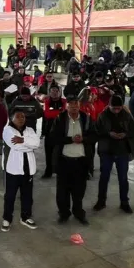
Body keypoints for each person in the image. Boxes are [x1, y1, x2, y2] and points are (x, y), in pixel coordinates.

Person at [52, 94, 94, 224]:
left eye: (76, 104)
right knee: (62, 191)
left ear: (79, 106)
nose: (74, 107)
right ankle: (64, 213)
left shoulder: (86, 119)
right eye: (71, 105)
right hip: (64, 161)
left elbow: (94, 136)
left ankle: (78, 212)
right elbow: (54, 137)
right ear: (67, 106)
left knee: (79, 190)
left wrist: (84, 139)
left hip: (81, 161)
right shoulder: (60, 119)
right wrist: (71, 140)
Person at [93, 95, 134, 213]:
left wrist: (125, 135)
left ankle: (124, 202)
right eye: (114, 108)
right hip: (106, 151)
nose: (116, 110)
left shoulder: (127, 115)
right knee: (104, 177)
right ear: (109, 106)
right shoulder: (103, 115)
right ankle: (101, 201)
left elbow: (133, 130)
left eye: (119, 108)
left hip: (122, 151)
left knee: (123, 178)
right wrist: (109, 133)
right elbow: (96, 130)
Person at [1, 108, 40, 232]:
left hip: (28, 168)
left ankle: (26, 217)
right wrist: (28, 145)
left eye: (23, 117)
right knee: (10, 196)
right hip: (13, 169)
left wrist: (23, 140)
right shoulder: (7, 130)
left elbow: (37, 143)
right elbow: (14, 146)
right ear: (12, 118)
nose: (21, 119)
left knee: (27, 195)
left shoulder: (30, 130)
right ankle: (7, 218)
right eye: (18, 116)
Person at [39, 84, 65, 178]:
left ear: (59, 92)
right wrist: (58, 112)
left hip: (62, 132)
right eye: (52, 91)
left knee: (61, 153)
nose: (54, 93)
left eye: (56, 91)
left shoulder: (64, 102)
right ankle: (48, 171)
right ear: (49, 92)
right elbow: (47, 115)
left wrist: (54, 113)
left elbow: (63, 114)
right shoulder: (47, 102)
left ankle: (60, 171)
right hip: (49, 132)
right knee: (48, 153)